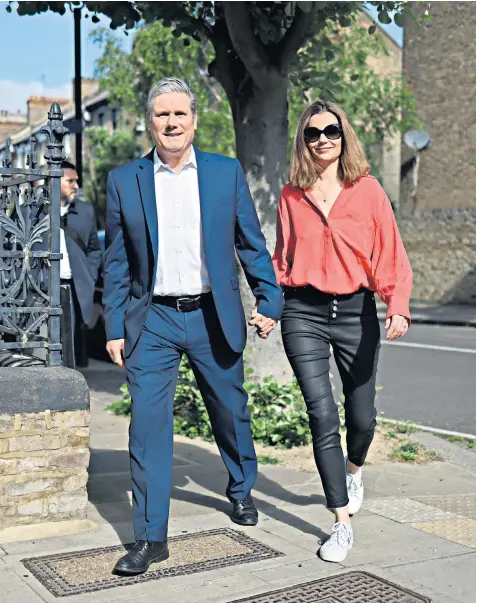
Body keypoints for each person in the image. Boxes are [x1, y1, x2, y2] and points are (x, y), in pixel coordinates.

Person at [103, 77, 283, 576]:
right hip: (153, 319)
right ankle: (150, 537)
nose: (171, 123)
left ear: (194, 120)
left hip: (211, 313)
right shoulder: (125, 181)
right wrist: (115, 326)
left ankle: (242, 488)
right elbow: (117, 264)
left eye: (179, 114)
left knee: (230, 410)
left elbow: (250, 242)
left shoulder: (225, 174)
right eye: (162, 115)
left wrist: (270, 296)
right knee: (148, 429)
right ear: (150, 122)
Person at [272, 100, 412, 563]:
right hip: (303, 313)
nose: (323, 140)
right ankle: (340, 522)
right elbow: (280, 259)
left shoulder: (368, 191)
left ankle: (354, 470)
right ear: (303, 141)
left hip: (356, 312)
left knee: (363, 418)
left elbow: (390, 251)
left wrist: (398, 305)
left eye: (331, 131)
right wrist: (270, 306)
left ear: (343, 135)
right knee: (321, 413)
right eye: (313, 134)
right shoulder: (292, 196)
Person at [58, 160, 102, 367]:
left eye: (77, 181)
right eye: (70, 181)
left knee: (71, 343)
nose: (76, 185)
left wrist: (89, 275)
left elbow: (94, 249)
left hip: (73, 288)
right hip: (41, 291)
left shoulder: (85, 211)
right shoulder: (31, 212)